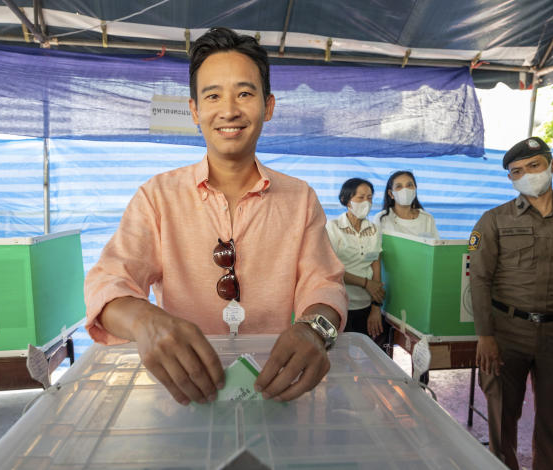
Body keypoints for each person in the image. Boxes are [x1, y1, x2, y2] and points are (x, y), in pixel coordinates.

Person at [84, 27, 348, 407]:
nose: (229, 110)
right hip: (185, 397)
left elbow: (324, 285)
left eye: (244, 93)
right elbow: (106, 285)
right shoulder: (157, 197)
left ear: (268, 106)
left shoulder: (300, 199)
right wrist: (146, 322)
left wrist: (313, 329)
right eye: (212, 96)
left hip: (275, 392)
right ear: (194, 111)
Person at [469, 136, 553, 470]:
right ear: (511, 179)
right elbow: (479, 279)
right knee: (502, 421)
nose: (527, 175)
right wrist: (485, 336)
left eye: (533, 166)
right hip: (507, 335)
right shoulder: (494, 220)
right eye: (517, 171)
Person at [325, 178, 386, 341]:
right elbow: (330, 269)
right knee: (339, 355)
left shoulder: (373, 229)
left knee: (365, 356)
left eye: (370, 198)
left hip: (366, 305)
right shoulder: (333, 227)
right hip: (339, 304)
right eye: (361, 197)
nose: (366, 202)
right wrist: (366, 283)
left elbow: (376, 264)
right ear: (346, 200)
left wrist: (375, 306)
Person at [373, 170, 439, 239]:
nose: (405, 190)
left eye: (409, 185)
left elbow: (436, 247)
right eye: (399, 186)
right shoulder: (382, 219)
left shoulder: (427, 219)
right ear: (391, 194)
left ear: (415, 189)